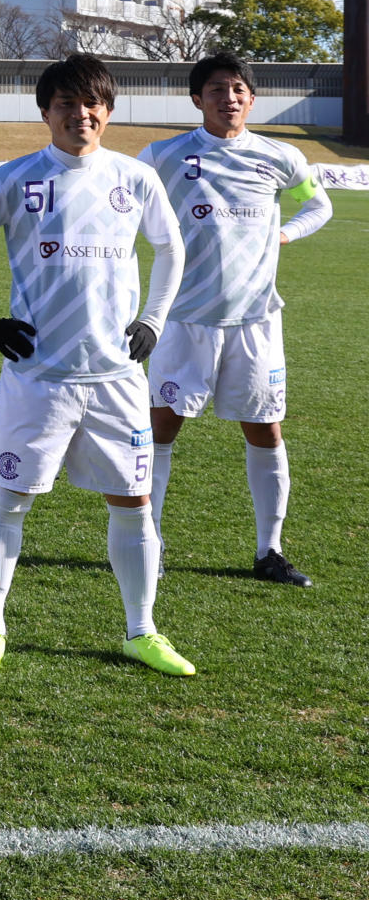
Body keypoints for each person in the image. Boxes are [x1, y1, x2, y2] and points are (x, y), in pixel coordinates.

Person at [0, 52, 192, 677]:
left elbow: (171, 248)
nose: (80, 114)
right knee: (9, 500)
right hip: (38, 378)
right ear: (45, 111)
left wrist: (154, 318)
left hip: (115, 378)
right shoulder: (17, 178)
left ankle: (142, 631)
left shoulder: (135, 179)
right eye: (65, 104)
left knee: (132, 504)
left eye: (91, 103)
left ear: (106, 110)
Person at [137, 51, 330, 587]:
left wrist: (283, 234)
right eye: (218, 89)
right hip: (184, 320)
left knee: (265, 429)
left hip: (256, 322)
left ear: (252, 98)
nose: (230, 97)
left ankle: (270, 549)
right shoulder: (163, 155)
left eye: (239, 89)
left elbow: (319, 206)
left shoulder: (280, 156)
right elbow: (122, 204)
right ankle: (146, 537)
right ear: (197, 99)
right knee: (162, 425)